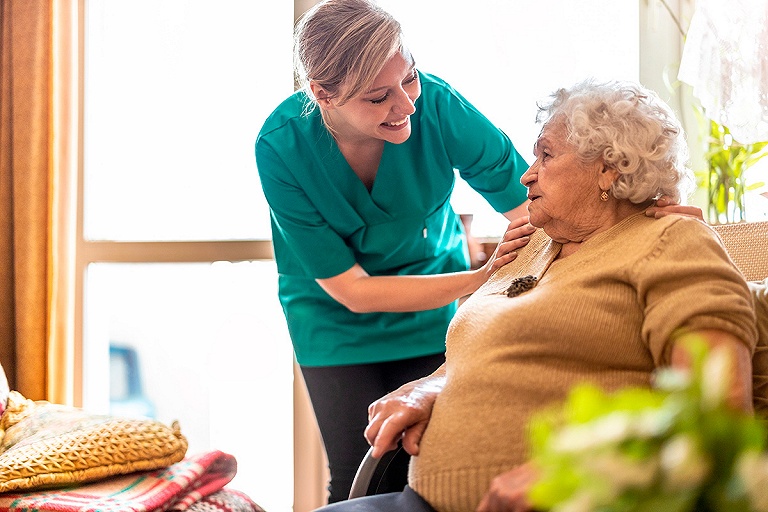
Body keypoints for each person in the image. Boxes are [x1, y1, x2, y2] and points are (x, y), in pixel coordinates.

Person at [256, 0, 699, 502]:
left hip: (433, 298)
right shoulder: (281, 146)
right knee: (355, 467)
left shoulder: (439, 107)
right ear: (323, 94)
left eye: (411, 78)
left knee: (417, 461)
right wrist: (479, 279)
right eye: (379, 97)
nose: (406, 105)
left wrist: (644, 216)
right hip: (333, 316)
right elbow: (352, 291)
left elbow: (539, 201)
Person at [313, 79, 758, 512]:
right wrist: (434, 385)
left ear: (608, 167)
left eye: (545, 155)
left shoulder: (672, 241)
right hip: (421, 499)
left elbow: (716, 416)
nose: (526, 175)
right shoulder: (532, 247)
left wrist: (582, 474)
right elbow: (481, 350)